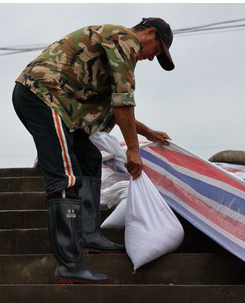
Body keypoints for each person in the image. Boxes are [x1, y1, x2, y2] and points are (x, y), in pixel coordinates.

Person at [13, 18, 175, 284]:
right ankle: (69, 264)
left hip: (62, 106)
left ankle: (89, 235)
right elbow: (124, 100)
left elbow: (114, 106)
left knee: (89, 158)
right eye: (156, 50)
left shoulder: (117, 49)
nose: (150, 58)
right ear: (149, 32)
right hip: (42, 96)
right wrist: (133, 151)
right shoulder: (124, 39)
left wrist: (148, 133)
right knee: (66, 179)